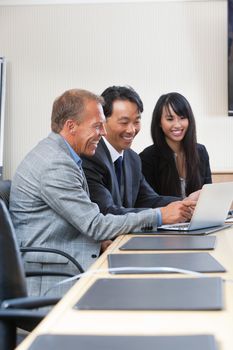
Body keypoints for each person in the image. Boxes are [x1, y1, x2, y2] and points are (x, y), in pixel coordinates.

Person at [9, 89, 195, 297]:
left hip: (68, 263)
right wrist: (160, 215)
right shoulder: (56, 164)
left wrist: (181, 205)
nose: (103, 132)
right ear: (71, 126)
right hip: (54, 279)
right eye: (97, 126)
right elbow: (95, 225)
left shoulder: (62, 155)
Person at [82, 85, 198, 216]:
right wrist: (161, 214)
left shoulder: (133, 158)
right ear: (103, 121)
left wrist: (185, 202)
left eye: (136, 122)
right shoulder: (90, 157)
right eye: (124, 122)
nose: (131, 130)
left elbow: (148, 199)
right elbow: (106, 211)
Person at [140, 92, 212, 198]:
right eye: (170, 119)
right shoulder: (147, 157)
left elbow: (208, 195)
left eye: (182, 118)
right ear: (159, 122)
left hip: (199, 214)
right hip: (167, 214)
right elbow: (149, 202)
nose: (177, 125)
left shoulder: (200, 151)